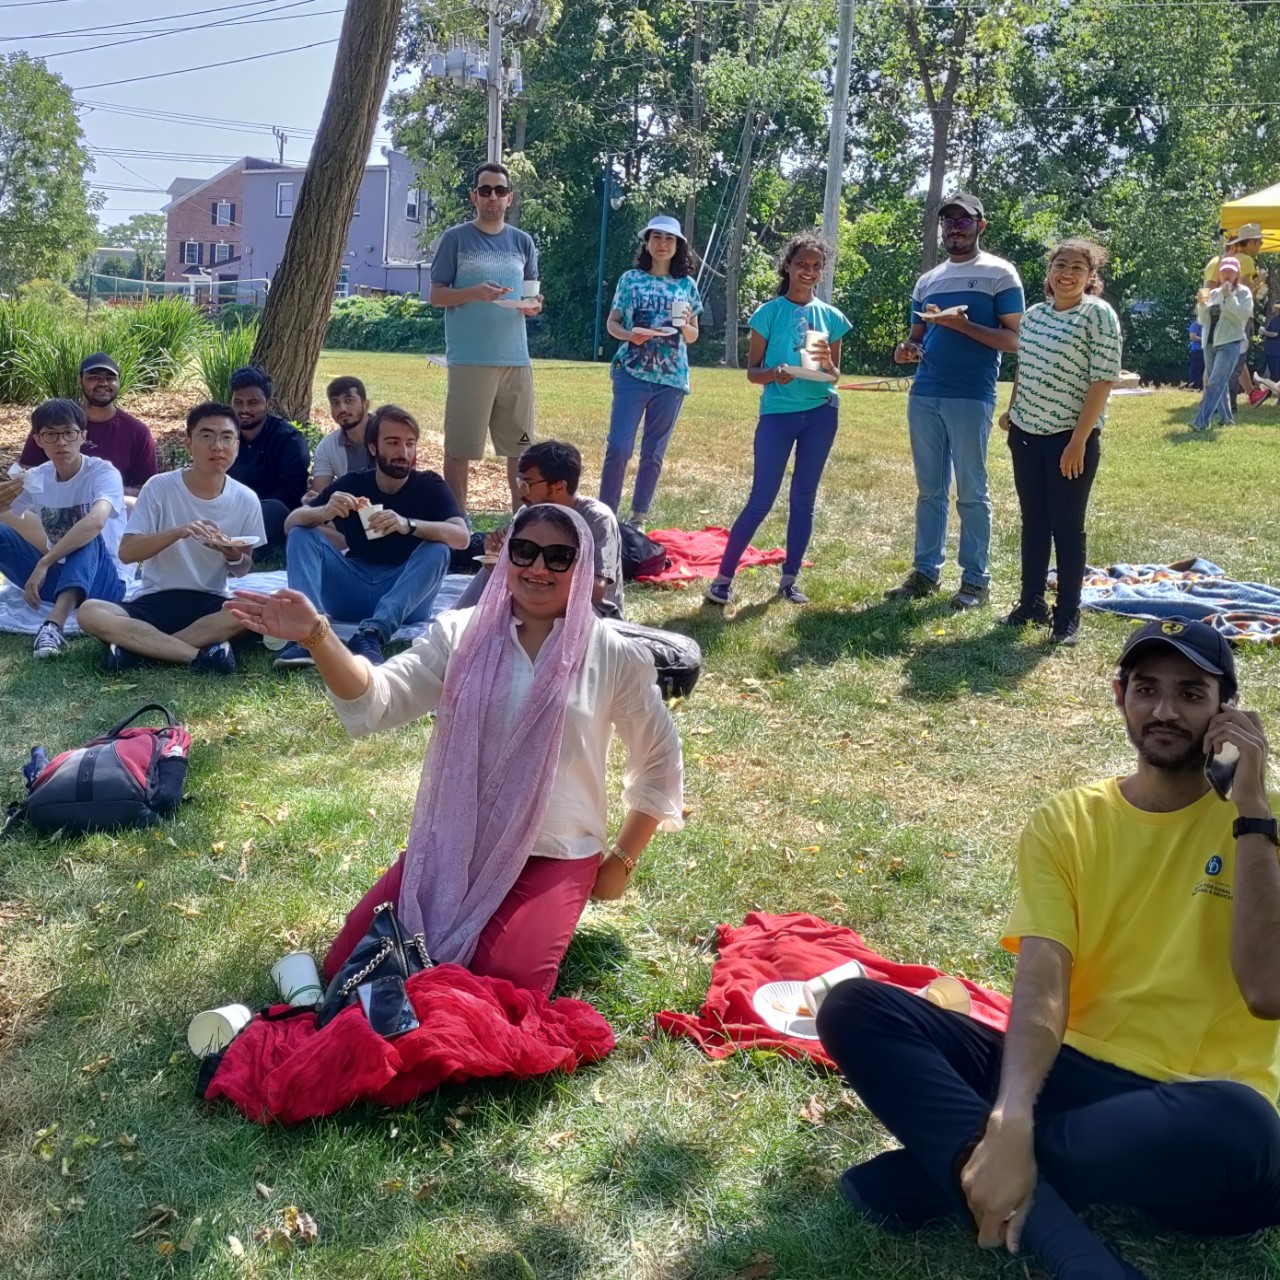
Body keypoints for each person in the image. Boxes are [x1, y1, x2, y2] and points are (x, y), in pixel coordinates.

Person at [818, 618, 1280, 1280]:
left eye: (1190, 693)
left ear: (1225, 712)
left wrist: (1253, 810)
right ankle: (1080, 1257)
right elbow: (1042, 981)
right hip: (1073, 1077)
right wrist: (1010, 1116)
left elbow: (1269, 992)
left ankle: (933, 1174)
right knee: (855, 1007)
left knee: (1243, 1122)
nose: (1166, 711)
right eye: (1147, 689)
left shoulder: (1263, 829)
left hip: (1199, 1115)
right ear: (1119, 696)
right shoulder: (1070, 822)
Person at [226, 504, 683, 997]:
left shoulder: (612, 653)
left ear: (584, 567)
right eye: (525, 551)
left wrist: (621, 861)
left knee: (505, 985)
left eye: (559, 557)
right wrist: (317, 636)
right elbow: (378, 700)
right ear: (506, 555)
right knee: (351, 961)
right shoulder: (460, 634)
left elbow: (659, 754)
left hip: (554, 849)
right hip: (455, 844)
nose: (537, 568)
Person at [886, 192, 1024, 610]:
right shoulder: (928, 279)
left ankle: (976, 580)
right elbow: (914, 339)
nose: (955, 227)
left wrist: (963, 327)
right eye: (948, 221)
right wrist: (905, 352)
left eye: (964, 220)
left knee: (971, 491)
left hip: (971, 394)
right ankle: (925, 572)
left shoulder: (1000, 273)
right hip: (925, 392)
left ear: (981, 225)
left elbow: (1015, 341)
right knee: (930, 491)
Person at [704, 236, 849, 608]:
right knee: (761, 499)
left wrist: (827, 370)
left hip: (820, 414)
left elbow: (832, 373)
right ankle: (723, 579)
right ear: (788, 265)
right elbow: (753, 373)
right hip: (777, 415)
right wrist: (775, 373)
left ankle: (790, 579)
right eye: (803, 263)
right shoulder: (768, 313)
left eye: (817, 266)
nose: (809, 271)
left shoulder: (831, 318)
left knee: (804, 498)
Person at [77, 402, 264, 675]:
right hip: (156, 601)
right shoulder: (160, 486)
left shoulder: (246, 499)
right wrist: (179, 531)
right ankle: (199, 656)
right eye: (206, 436)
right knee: (89, 611)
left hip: (209, 602)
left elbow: (243, 568)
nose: (217, 446)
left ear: (237, 445)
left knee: (255, 609)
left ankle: (141, 650)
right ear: (189, 444)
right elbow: (128, 553)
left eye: (227, 437)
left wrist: (232, 554)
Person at [275, 405, 468, 668]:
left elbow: (462, 537)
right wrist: (324, 511)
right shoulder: (353, 484)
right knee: (301, 534)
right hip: (350, 587)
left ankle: (372, 635)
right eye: (393, 442)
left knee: (439, 548)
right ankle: (308, 637)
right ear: (373, 448)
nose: (404, 453)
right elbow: (289, 524)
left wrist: (408, 525)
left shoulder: (430, 486)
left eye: (410, 443)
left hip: (405, 599)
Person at [999, 239, 1121, 646]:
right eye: (1060, 265)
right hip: (1026, 434)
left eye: (1078, 269)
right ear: (1049, 271)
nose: (1067, 274)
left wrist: (1078, 442)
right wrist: (1012, 411)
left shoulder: (1098, 316)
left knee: (1067, 527)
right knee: (1033, 523)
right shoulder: (1033, 316)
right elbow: (1024, 368)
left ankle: (1067, 614)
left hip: (1070, 439)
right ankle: (1030, 601)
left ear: (1090, 277)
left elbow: (1102, 380)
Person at [429, 161, 542, 513]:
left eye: (500, 190)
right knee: (460, 451)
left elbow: (533, 295)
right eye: (485, 190)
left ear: (510, 198)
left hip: (516, 361)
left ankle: (521, 524)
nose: (493, 196)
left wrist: (534, 305)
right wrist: (474, 292)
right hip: (470, 361)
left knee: (521, 452)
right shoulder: (455, 239)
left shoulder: (523, 242)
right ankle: (457, 524)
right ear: (474, 196)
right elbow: (436, 295)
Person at [0, 399, 127, 657]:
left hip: (104, 581)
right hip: (52, 581)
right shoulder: (38, 478)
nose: (61, 442)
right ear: (38, 440)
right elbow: (6, 511)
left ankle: (52, 627)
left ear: (83, 436)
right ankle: (57, 603)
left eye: (69, 433)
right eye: (51, 434)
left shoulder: (103, 473)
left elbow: (96, 522)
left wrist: (44, 562)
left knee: (87, 534)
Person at [600, 215, 703, 528]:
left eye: (669, 239)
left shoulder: (687, 285)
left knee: (653, 452)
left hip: (671, 379)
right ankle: (605, 515)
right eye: (656, 237)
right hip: (632, 371)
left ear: (678, 246)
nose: (662, 244)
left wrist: (685, 324)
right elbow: (613, 323)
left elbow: (693, 335)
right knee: (619, 447)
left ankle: (638, 518)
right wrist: (631, 335)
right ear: (647, 242)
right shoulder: (630, 279)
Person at [456, 439, 625, 618]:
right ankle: (455, 631)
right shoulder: (527, 513)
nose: (521, 493)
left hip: (590, 612)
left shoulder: (596, 518)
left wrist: (534, 575)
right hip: (538, 597)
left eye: (527, 484)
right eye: (519, 483)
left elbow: (596, 590)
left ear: (559, 486)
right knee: (488, 575)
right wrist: (499, 555)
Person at [17, 353, 157, 509]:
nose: (103, 383)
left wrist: (103, 490)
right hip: (52, 508)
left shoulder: (137, 431)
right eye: (94, 377)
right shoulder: (53, 421)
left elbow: (147, 489)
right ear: (79, 380)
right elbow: (26, 471)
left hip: (113, 511)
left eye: (110, 378)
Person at [225, 365, 310, 554]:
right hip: (229, 510)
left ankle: (236, 549)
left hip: (269, 512)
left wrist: (247, 510)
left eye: (253, 403)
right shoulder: (225, 435)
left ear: (268, 404)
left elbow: (291, 492)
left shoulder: (288, 439)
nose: (244, 409)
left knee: (274, 509)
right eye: (238, 402)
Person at [1192, 256, 1252, 432]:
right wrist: (1201, 305)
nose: (1226, 274)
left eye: (1230, 271)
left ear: (1237, 274)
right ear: (1219, 274)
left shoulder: (1244, 293)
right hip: (1209, 343)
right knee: (1220, 383)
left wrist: (1229, 297)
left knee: (1215, 383)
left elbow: (1242, 316)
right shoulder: (1213, 293)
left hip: (1230, 343)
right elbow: (1202, 321)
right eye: (1223, 271)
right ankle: (1226, 419)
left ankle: (1201, 421)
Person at [310, 376, 372, 493]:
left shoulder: (388, 438)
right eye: (335, 403)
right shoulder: (327, 447)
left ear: (366, 405)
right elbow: (319, 494)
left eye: (349, 401)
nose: (342, 409)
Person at [1187, 317, 1205, 390]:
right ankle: (1193, 387)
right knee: (1196, 370)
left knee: (1205, 371)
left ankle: (1202, 388)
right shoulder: (1195, 324)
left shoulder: (1206, 325)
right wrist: (1205, 339)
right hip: (1197, 351)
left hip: (1205, 351)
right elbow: (1192, 337)